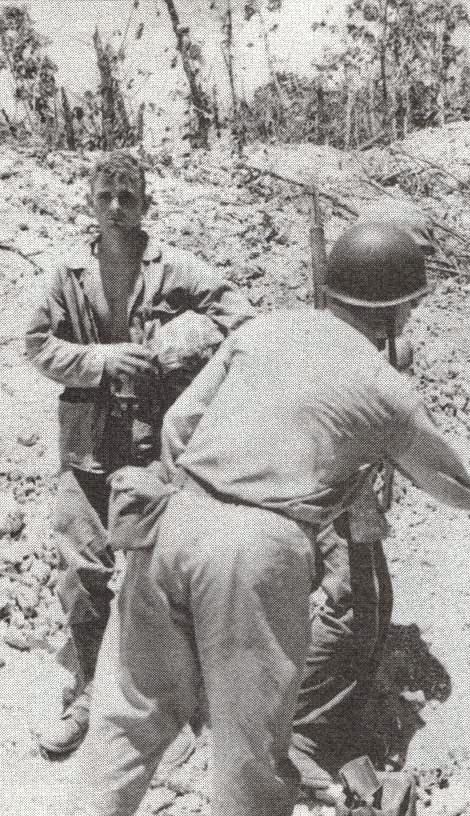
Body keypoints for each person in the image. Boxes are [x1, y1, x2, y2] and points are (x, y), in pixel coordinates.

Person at [76, 222, 470, 816]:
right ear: (405, 307)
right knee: (250, 757)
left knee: (129, 724)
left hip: (172, 520)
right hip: (255, 549)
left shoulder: (266, 329)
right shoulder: (385, 390)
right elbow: (463, 488)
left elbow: (177, 426)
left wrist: (208, 497)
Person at [23, 151, 252, 758]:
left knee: (161, 576)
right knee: (81, 576)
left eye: (129, 197)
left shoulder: (171, 266)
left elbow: (236, 312)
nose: (118, 208)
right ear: (91, 204)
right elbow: (36, 344)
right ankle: (81, 696)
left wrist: (181, 341)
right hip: (87, 449)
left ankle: (172, 700)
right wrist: (101, 362)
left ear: (147, 204)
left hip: (154, 448)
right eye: (107, 197)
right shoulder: (68, 274)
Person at [289, 197, 436, 792]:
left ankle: (344, 714)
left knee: (375, 601)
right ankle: (298, 726)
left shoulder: (384, 335)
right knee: (349, 605)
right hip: (321, 489)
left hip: (356, 489)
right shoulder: (330, 335)